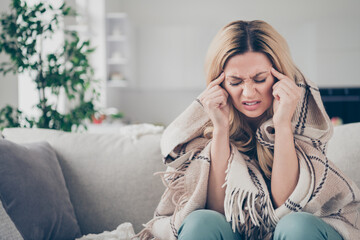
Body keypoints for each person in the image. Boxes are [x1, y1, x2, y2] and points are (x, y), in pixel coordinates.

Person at [136, 20, 360, 240]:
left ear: (278, 75)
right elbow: (218, 210)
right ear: (220, 84)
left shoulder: (304, 114)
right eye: (235, 82)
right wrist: (221, 128)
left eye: (260, 79)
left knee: (295, 226)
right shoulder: (204, 122)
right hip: (236, 228)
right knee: (201, 222)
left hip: (301, 226)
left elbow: (289, 205)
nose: (249, 93)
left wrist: (282, 124)